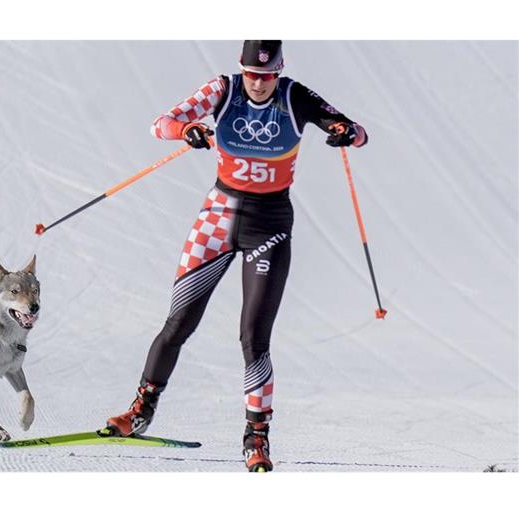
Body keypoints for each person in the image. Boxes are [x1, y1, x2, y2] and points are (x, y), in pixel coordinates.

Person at [105, 40, 368, 472]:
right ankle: (140, 411)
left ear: (278, 72)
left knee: (253, 337)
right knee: (178, 323)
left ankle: (257, 437)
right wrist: (186, 130)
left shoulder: (294, 96)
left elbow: (356, 131)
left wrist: (345, 132)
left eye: (266, 76)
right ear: (240, 69)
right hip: (217, 218)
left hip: (269, 226)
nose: (258, 84)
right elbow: (160, 124)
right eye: (251, 75)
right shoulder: (223, 90)